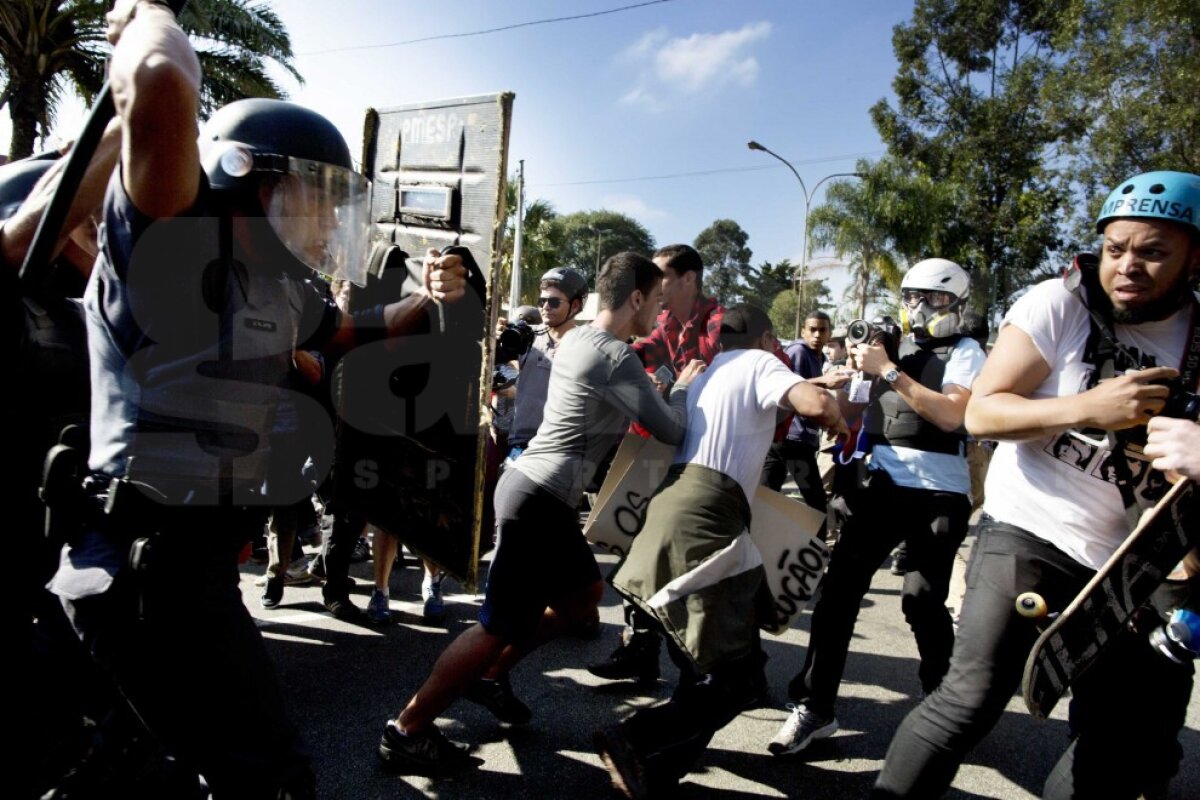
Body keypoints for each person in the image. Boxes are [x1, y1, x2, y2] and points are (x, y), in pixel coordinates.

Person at [46, 3, 470, 796]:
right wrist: (151, 16)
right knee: (268, 780)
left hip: (189, 572)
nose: (326, 221)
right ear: (247, 179)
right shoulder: (170, 234)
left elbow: (351, 330)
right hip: (145, 573)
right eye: (313, 195)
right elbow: (160, 77)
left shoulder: (275, 286)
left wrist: (437, 297)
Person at [871, 171, 1200, 800]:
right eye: (1115, 249)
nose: (1128, 266)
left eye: (1153, 252)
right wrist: (1087, 407)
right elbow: (982, 414)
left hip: (1140, 564)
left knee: (1117, 745)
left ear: (1194, 257)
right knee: (967, 700)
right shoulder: (1059, 303)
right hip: (1032, 529)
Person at [378, 252, 705, 775]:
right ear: (637, 297)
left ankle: (489, 676)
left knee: (583, 594)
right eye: (657, 303)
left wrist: (657, 393)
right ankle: (407, 730)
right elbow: (671, 429)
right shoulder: (617, 358)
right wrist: (684, 387)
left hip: (536, 492)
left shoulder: (580, 341)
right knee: (495, 623)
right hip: (538, 499)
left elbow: (615, 402)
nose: (659, 315)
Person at [594, 304, 843, 797]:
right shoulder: (760, 362)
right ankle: (633, 738)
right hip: (706, 523)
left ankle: (657, 772)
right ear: (768, 338)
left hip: (672, 513)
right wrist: (834, 413)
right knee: (739, 679)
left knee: (705, 670)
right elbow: (812, 406)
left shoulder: (707, 376)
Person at [769, 258, 987, 756]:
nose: (919, 307)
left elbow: (953, 414)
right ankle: (816, 707)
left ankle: (942, 706)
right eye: (912, 296)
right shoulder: (886, 348)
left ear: (954, 303)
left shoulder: (965, 351)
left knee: (922, 600)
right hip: (883, 483)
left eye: (933, 299)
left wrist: (889, 370)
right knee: (837, 594)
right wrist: (844, 384)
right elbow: (849, 416)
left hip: (941, 490)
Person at [588, 243, 723, 685]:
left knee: (691, 563)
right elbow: (622, 354)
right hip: (648, 452)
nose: (652, 286)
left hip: (703, 459)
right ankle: (639, 652)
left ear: (689, 278)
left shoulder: (725, 324)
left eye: (661, 275)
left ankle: (716, 670)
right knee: (634, 551)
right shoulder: (655, 325)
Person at [762, 310, 852, 508]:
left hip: (791, 439)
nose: (817, 335)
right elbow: (786, 389)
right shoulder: (798, 352)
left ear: (829, 333)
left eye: (822, 330)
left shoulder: (815, 357)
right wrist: (824, 383)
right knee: (816, 506)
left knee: (764, 498)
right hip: (792, 439)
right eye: (812, 330)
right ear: (803, 331)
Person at [505, 266, 589, 461]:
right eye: (542, 301)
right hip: (521, 444)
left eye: (553, 302)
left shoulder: (586, 345)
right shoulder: (526, 335)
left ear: (575, 306)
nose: (545, 307)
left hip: (562, 449)